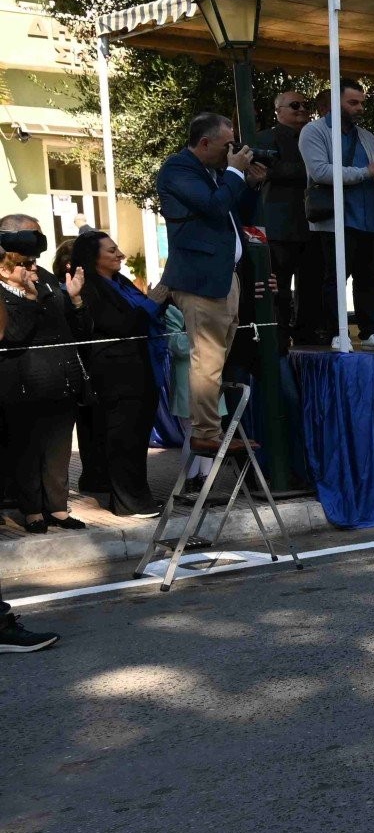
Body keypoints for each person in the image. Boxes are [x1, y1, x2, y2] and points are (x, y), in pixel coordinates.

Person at [157, 113, 265, 453]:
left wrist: (249, 182)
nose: (232, 151)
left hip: (224, 277)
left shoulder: (214, 173)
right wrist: (234, 172)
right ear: (204, 143)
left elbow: (234, 211)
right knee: (207, 357)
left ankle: (211, 430)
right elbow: (214, 209)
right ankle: (206, 433)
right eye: (226, 145)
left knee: (216, 357)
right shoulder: (178, 169)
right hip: (200, 279)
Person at [68, 228, 162, 517]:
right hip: (115, 374)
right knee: (123, 437)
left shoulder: (121, 282)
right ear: (93, 258)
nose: (120, 254)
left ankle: (132, 493)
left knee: (136, 436)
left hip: (141, 368)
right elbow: (121, 324)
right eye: (111, 251)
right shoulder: (89, 287)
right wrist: (156, 302)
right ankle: (129, 502)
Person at [301, 82, 374, 350]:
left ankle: (370, 333)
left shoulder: (366, 136)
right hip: (336, 219)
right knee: (335, 278)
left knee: (369, 278)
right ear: (336, 103)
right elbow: (321, 172)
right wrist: (367, 172)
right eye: (353, 103)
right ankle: (335, 331)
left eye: (362, 103)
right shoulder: (314, 131)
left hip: (369, 217)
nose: (360, 109)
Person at [0, 247, 86, 530]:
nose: (34, 269)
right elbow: (14, 335)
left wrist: (74, 300)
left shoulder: (47, 290)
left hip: (61, 380)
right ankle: (32, 510)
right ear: (4, 270)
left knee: (58, 450)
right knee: (27, 450)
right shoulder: (5, 297)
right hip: (24, 385)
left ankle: (58, 508)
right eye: (25, 264)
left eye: (34, 262)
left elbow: (75, 329)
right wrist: (31, 300)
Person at [250, 89, 320, 344]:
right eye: (294, 105)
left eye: (305, 104)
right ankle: (277, 334)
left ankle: (307, 331)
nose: (302, 109)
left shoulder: (317, 137)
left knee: (312, 284)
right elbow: (268, 170)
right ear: (278, 111)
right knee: (278, 284)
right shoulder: (264, 138)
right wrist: (315, 170)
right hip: (279, 225)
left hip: (314, 224)